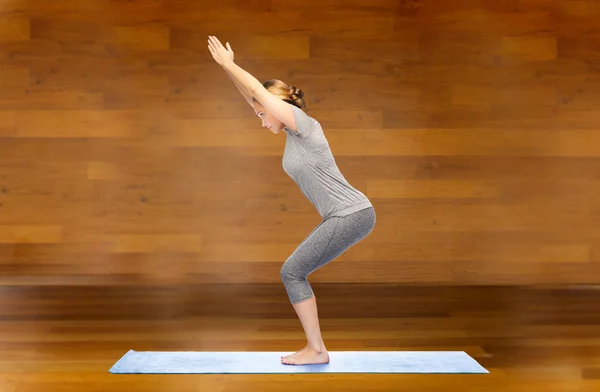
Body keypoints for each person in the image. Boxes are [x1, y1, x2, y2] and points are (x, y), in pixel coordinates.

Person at [208, 36, 376, 365]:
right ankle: (315, 348)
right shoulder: (290, 134)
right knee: (294, 272)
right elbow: (253, 96)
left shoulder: (306, 127)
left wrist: (230, 64)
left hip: (351, 214)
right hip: (342, 216)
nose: (260, 121)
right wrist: (226, 70)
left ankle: (316, 349)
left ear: (276, 108)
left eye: (262, 114)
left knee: (292, 272)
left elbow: (258, 93)